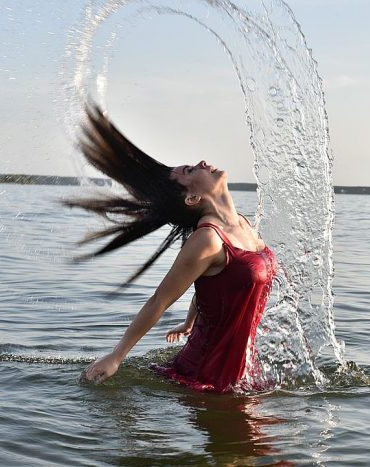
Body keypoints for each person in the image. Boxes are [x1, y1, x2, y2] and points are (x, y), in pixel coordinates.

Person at [68, 104, 277, 392]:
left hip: (241, 376)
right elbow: (159, 301)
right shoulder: (208, 239)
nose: (203, 162)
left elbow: (221, 286)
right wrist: (117, 357)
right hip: (207, 377)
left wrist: (190, 321)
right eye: (190, 170)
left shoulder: (243, 224)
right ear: (192, 198)